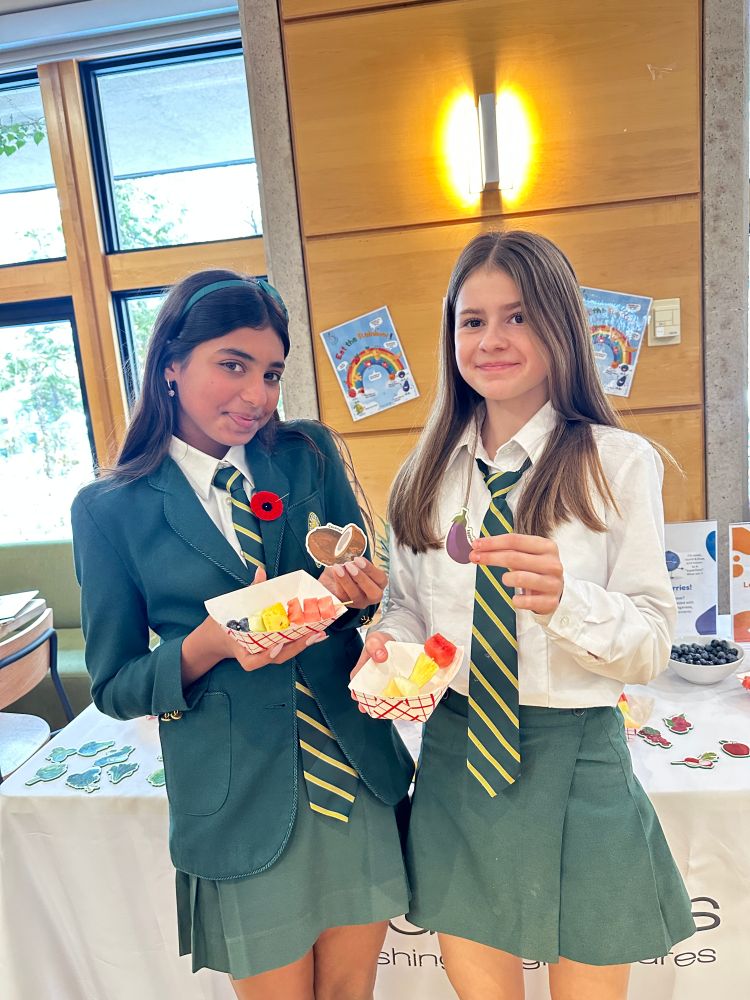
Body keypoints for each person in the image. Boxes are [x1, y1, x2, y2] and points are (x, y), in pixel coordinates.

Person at [359, 231, 696, 1000]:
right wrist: (388, 648)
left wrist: (564, 600)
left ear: (560, 327)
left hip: (579, 759)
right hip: (457, 755)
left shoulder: (618, 462)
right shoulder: (423, 475)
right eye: (471, 321)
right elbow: (405, 605)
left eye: (517, 316)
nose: (492, 339)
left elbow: (649, 644)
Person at [71, 270, 413, 1000]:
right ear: (171, 364)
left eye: (271, 372)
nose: (256, 395)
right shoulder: (111, 508)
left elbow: (350, 579)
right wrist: (207, 644)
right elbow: (115, 685)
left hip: (352, 772)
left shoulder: (306, 455)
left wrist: (359, 597)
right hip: (236, 796)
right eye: (232, 364)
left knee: (352, 994)